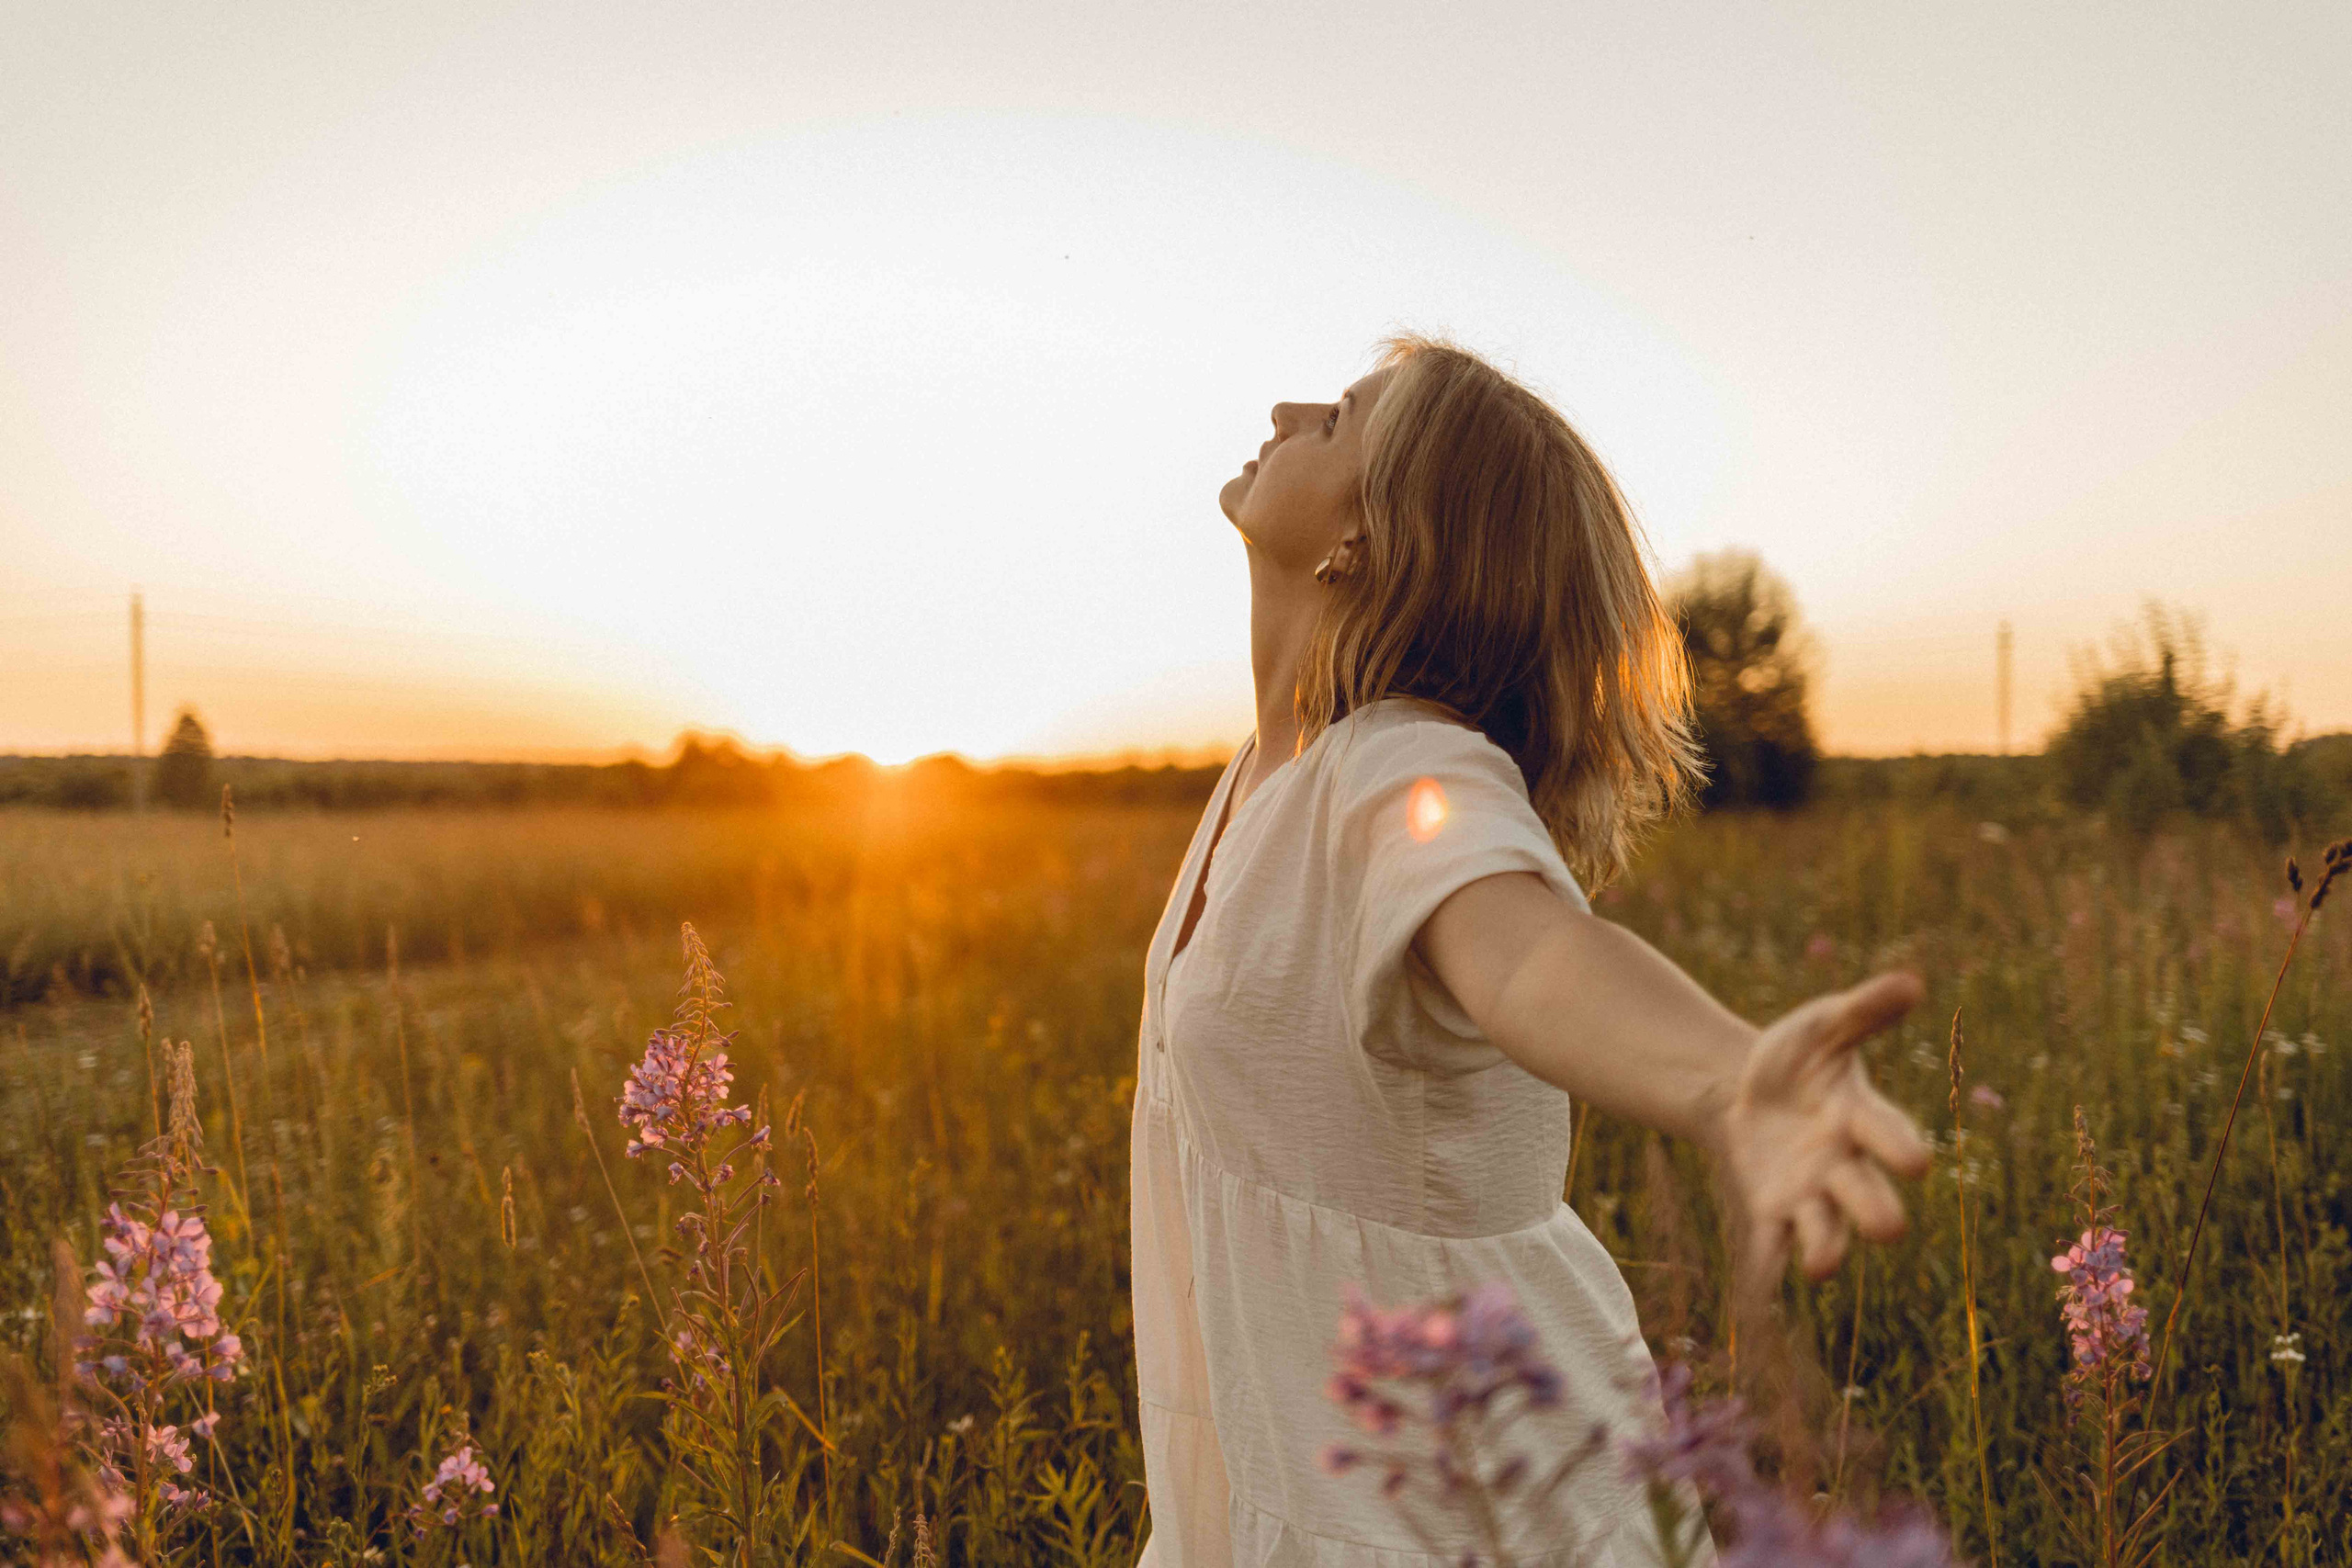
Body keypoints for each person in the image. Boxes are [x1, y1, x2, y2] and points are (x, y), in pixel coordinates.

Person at [1127, 334, 1934, 1566]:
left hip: (1449, 1498)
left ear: (1369, 541)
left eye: (1336, 419)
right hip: (1306, 1469)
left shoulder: (1399, 765)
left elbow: (1529, 957)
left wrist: (1726, 1078)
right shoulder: (1265, 773)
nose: (1290, 410)